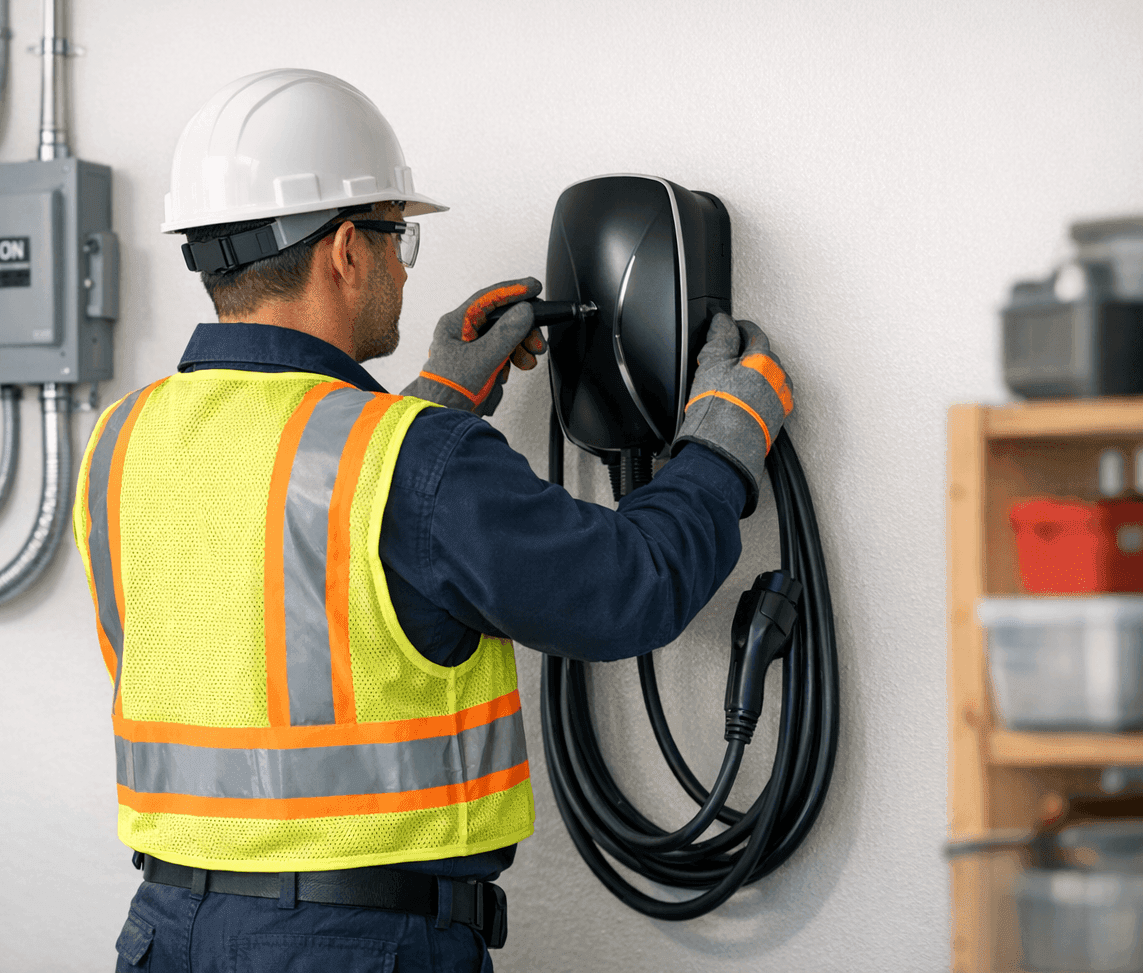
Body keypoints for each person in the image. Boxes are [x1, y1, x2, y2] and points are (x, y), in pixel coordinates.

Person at [74, 69, 794, 973]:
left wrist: (437, 398)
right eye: (397, 235)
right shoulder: (411, 459)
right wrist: (722, 443)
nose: (402, 265)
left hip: (165, 933)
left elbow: (286, 551)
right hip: (348, 950)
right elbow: (627, 590)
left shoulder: (122, 439)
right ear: (346, 249)